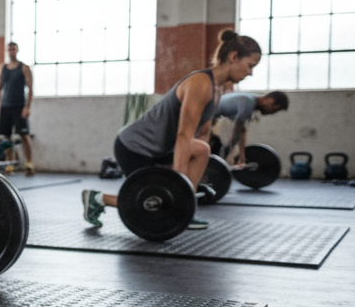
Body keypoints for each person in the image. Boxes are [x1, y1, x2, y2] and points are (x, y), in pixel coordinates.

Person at [81, 29, 261, 231]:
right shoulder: (201, 84)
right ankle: (97, 198)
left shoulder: (217, 89)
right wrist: (178, 182)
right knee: (153, 200)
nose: (250, 73)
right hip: (134, 147)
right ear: (234, 57)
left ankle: (185, 211)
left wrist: (186, 188)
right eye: (250, 66)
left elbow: (202, 135)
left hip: (161, 148)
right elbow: (184, 136)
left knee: (202, 149)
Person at [0, 41, 34, 176]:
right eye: (9, 49)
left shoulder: (24, 68)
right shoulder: (1, 68)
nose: (11, 51)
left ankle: (29, 164)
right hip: (5, 107)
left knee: (24, 135)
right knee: (6, 138)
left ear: (17, 50)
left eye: (13, 49)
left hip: (19, 106)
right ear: (6, 51)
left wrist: (27, 107)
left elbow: (30, 89)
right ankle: (9, 165)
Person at [212, 90, 289, 167]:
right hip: (207, 113)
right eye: (274, 110)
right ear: (270, 101)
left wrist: (242, 156)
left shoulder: (252, 99)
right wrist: (224, 155)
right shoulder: (248, 104)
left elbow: (242, 130)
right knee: (216, 146)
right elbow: (237, 133)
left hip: (211, 114)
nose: (271, 113)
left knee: (217, 145)